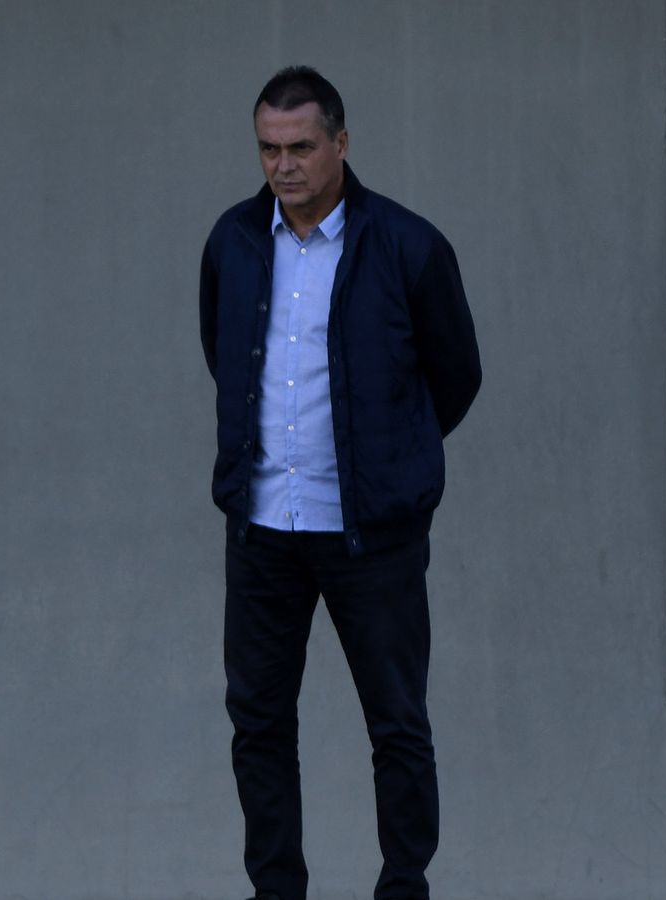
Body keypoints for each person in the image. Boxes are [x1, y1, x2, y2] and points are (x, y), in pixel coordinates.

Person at [198, 66, 481, 900]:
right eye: (268, 149)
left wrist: (390, 462)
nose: (284, 166)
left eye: (301, 147)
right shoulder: (234, 242)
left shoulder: (407, 245)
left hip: (373, 537)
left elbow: (454, 379)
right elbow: (225, 359)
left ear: (341, 144)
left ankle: (404, 888)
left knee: (396, 726)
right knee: (257, 724)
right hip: (262, 530)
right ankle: (276, 890)